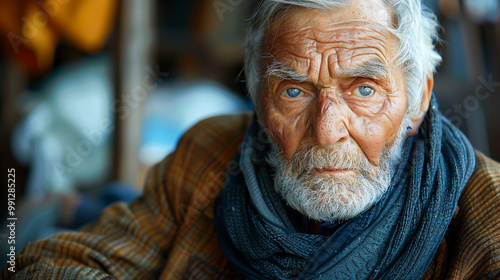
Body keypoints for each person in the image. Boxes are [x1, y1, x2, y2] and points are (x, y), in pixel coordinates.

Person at [3, 0, 500, 279]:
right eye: (293, 89)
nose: (327, 128)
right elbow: (65, 264)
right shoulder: (208, 157)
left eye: (364, 89)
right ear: (260, 102)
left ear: (416, 101)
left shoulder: (486, 221)